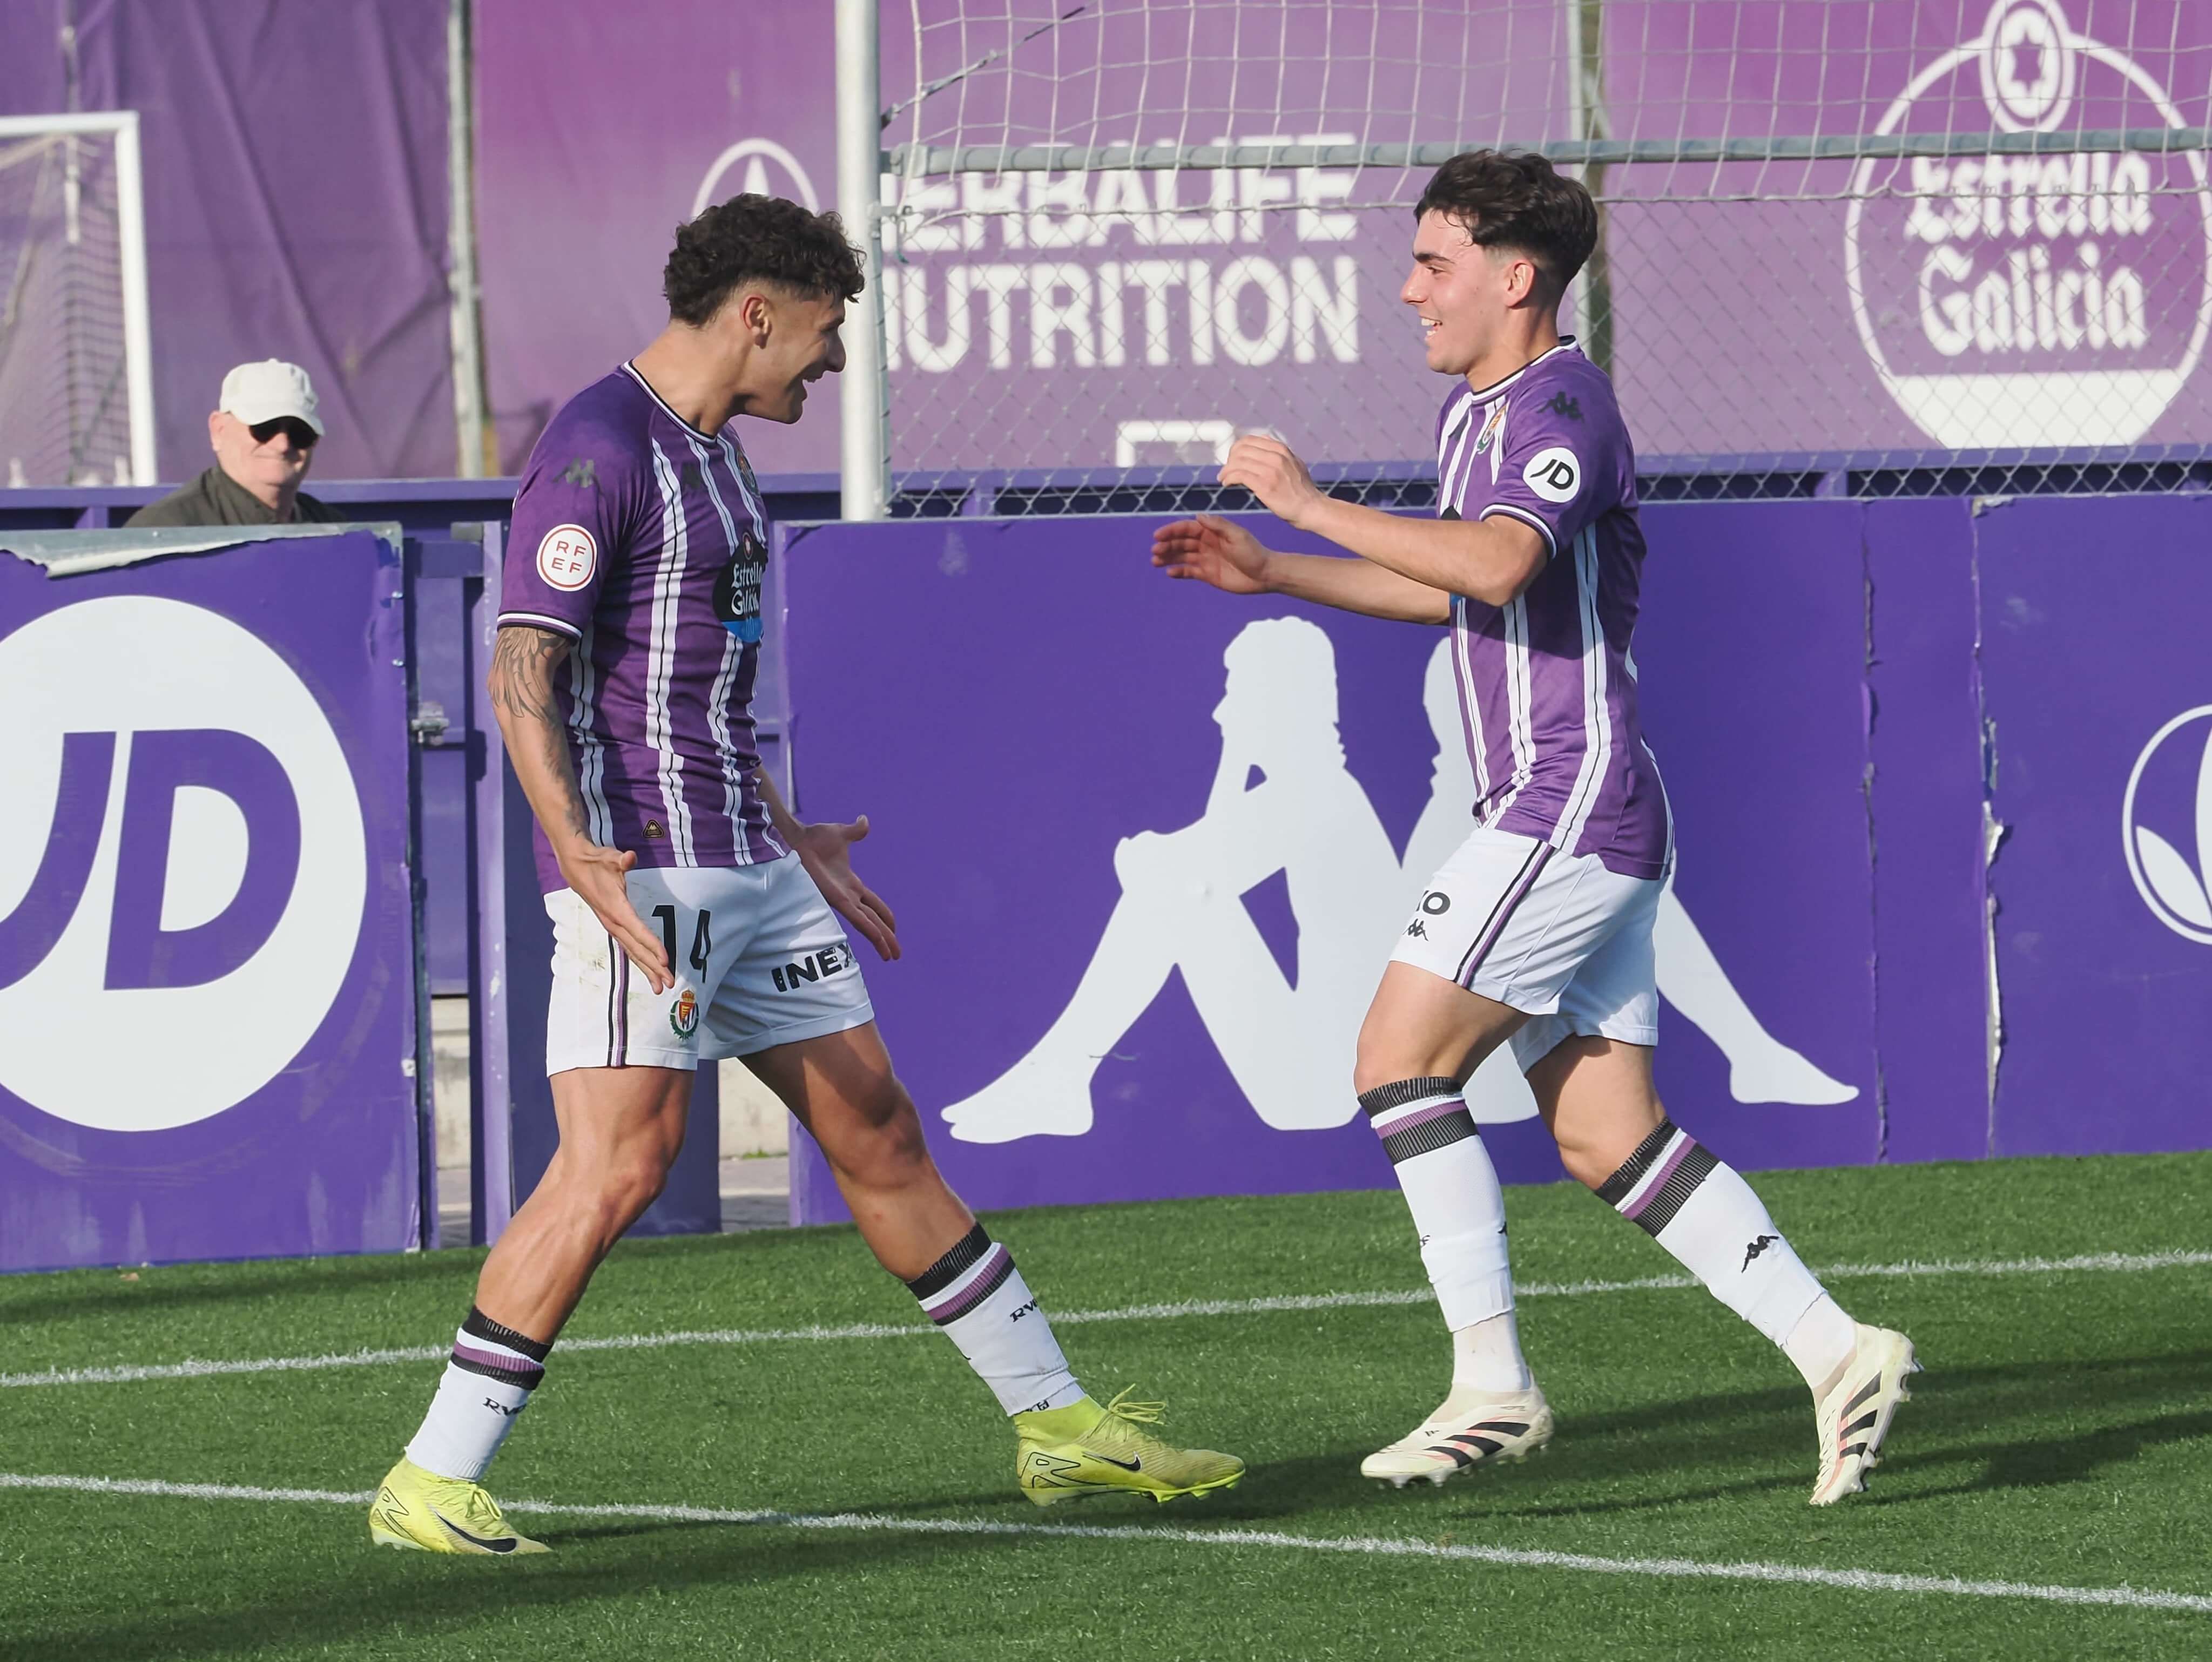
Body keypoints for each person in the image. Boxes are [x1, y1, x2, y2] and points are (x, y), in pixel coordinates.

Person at [366, 194, 1241, 1556]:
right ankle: (431, 1476)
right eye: (825, 333)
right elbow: (522, 665)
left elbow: (694, 693)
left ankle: (1059, 1428)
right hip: (646, 870)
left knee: (877, 1128)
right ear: (757, 313)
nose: (831, 361)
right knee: (617, 1165)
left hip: (747, 863)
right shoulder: (599, 448)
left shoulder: (720, 458)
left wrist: (794, 831)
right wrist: (580, 854)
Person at [1149, 150, 1914, 1506]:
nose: (1408, 291)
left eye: (1431, 264)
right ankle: (1835, 1348)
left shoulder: (1562, 404)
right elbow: (1462, 589)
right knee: (1607, 1138)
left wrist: (1308, 504)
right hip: (1573, 809)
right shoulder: (1479, 416)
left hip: (1567, 799)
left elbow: (1498, 562)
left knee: (1396, 1062)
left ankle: (1491, 1381)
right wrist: (1279, 571)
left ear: (1515, 279)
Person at [125, 359, 338, 527]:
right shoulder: (164, 531)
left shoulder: (336, 531)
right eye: (265, 428)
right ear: (219, 430)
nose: (282, 445)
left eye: (300, 432)